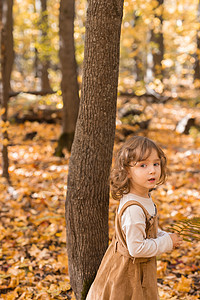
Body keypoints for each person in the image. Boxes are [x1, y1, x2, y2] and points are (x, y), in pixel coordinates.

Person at [86, 136, 182, 300]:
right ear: (127, 172)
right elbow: (136, 248)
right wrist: (166, 243)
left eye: (155, 164)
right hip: (128, 272)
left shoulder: (142, 197)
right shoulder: (134, 209)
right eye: (143, 165)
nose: (152, 170)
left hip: (139, 268)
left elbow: (147, 229)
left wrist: (163, 235)